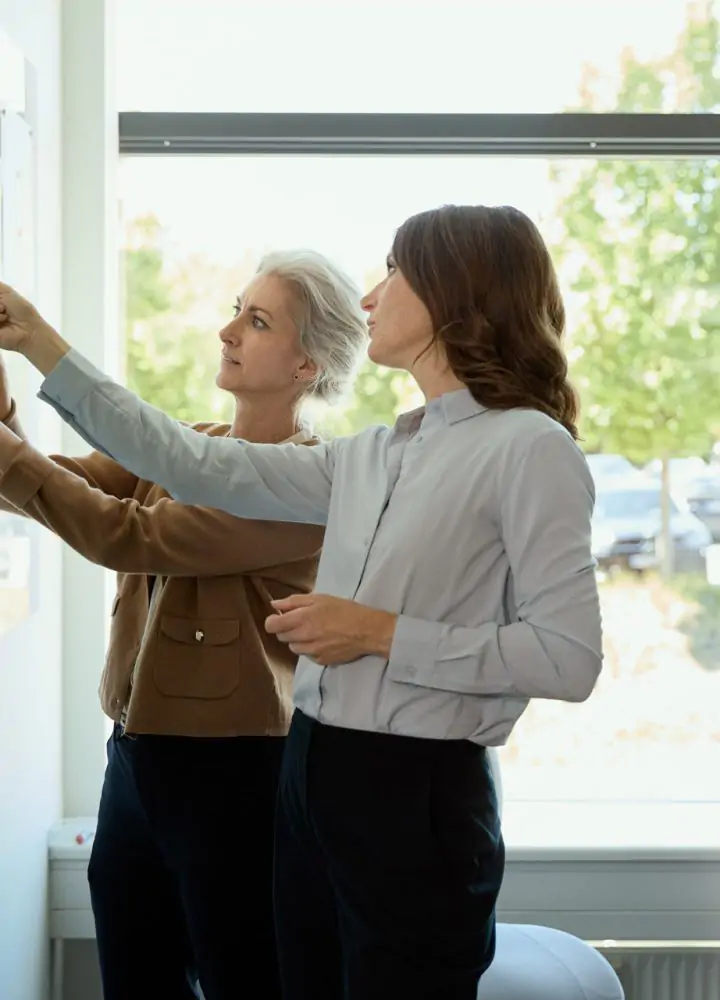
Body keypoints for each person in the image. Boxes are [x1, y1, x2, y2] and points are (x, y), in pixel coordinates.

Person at [0, 204, 603, 1000]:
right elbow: (181, 458)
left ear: (456, 296)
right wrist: (36, 340)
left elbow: (569, 657)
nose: (370, 298)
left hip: (411, 791)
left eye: (394, 273)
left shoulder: (531, 448)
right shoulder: (380, 454)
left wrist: (380, 632)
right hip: (314, 775)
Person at [0, 249, 367, 1000]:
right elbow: (48, 483)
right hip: (136, 760)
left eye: (257, 320)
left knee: (244, 976)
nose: (227, 329)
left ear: (309, 364)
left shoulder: (309, 486)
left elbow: (124, 535)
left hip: (233, 774)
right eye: (236, 307)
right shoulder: (191, 447)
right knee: (136, 976)